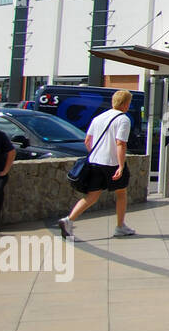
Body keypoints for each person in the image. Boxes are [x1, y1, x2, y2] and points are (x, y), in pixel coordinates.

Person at [58, 89, 136, 239]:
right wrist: (120, 166)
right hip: (111, 162)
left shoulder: (99, 118)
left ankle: (69, 220)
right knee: (121, 193)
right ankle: (120, 226)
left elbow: (88, 141)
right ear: (126, 103)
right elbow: (120, 143)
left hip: (95, 162)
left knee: (92, 195)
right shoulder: (123, 119)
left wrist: (96, 153)